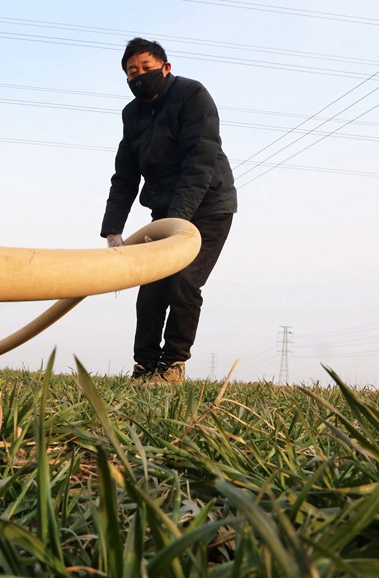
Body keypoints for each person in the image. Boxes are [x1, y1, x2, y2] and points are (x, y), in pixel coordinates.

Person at [100, 37, 237, 384]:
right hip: (165, 215)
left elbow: (200, 160)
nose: (140, 75)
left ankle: (173, 365)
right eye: (132, 72)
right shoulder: (132, 114)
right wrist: (113, 230)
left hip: (208, 206)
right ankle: (144, 368)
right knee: (150, 291)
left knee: (183, 281)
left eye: (146, 67)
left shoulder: (192, 95)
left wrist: (178, 221)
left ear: (165, 67)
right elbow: (125, 175)